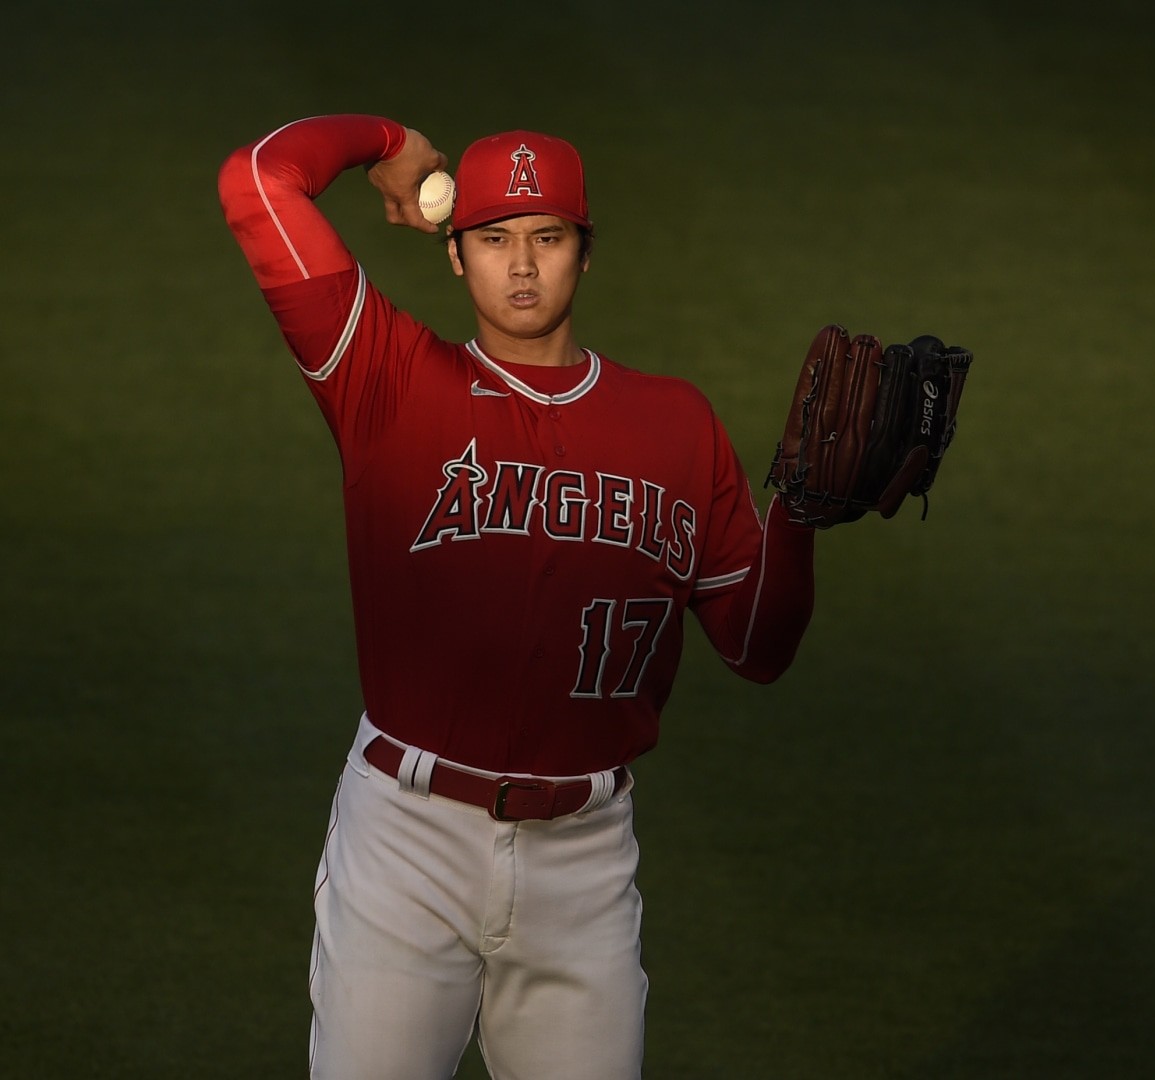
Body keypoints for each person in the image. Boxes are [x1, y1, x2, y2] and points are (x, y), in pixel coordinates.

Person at [218, 114, 816, 1079]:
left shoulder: (678, 426)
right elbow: (257, 181)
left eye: (549, 236)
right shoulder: (385, 377)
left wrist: (802, 523)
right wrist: (388, 143)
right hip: (407, 846)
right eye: (494, 238)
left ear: (586, 251)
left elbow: (758, 646)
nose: (524, 265)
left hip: (586, 859)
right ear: (455, 254)